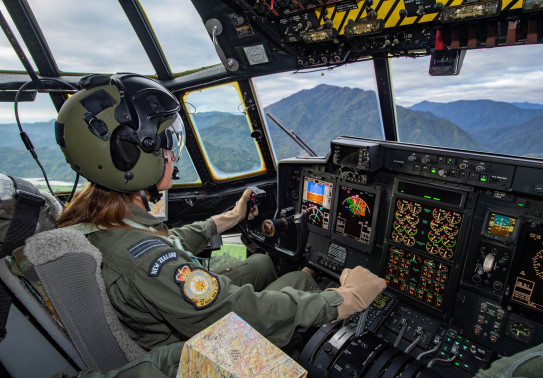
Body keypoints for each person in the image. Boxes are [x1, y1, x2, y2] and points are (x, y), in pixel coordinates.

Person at [54, 73, 386, 351]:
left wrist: (229, 218)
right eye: (164, 141)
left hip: (160, 318)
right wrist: (346, 298)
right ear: (130, 156)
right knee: (299, 278)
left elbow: (166, 241)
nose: (171, 153)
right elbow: (242, 310)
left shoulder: (98, 215)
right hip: (189, 346)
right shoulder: (144, 260)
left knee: (263, 262)